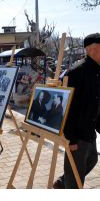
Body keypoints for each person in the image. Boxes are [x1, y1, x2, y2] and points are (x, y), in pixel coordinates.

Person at [53, 33, 100, 189]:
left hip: (89, 130)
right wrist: (71, 139)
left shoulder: (97, 70)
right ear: (92, 49)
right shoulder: (76, 72)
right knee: (75, 180)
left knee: (93, 159)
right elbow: (67, 108)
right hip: (78, 135)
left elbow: (96, 101)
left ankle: (62, 182)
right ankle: (67, 184)